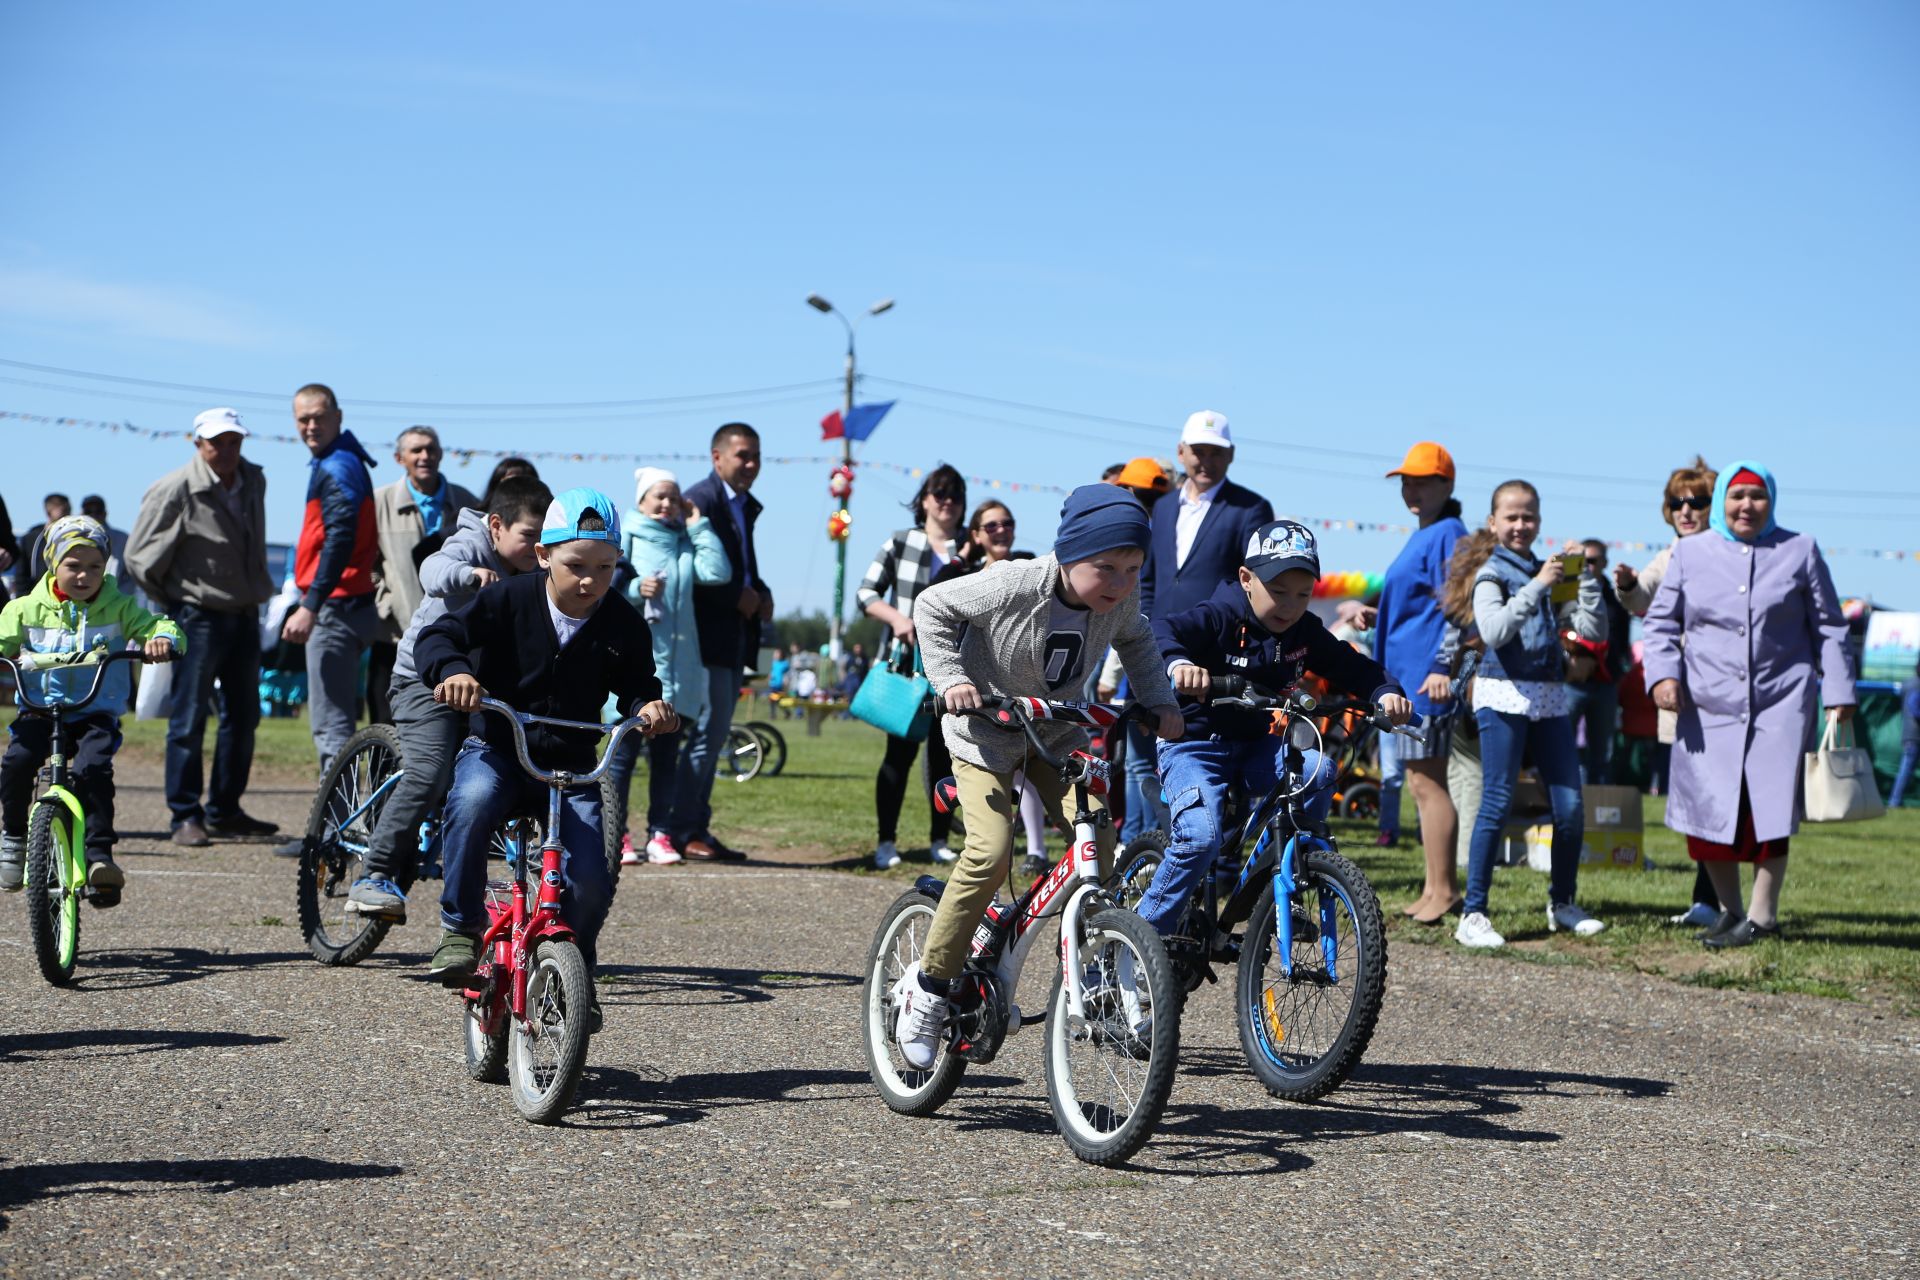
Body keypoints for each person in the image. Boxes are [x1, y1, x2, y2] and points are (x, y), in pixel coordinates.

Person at [889, 484, 1183, 1069]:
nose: (1122, 583)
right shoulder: (1015, 581)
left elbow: (1140, 643)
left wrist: (1161, 701)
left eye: (1132, 569)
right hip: (984, 734)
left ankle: (1090, 965)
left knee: (1097, 841)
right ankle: (929, 988)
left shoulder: (1119, 602)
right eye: (1106, 568)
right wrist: (950, 681)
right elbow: (931, 607)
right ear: (1070, 555)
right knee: (991, 851)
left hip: (1054, 731)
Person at [414, 487, 679, 991]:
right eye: (577, 564)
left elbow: (639, 684)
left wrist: (647, 705)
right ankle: (460, 927)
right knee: (469, 804)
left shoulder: (622, 620)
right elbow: (440, 635)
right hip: (499, 750)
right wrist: (453, 672)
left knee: (592, 879)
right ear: (543, 555)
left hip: (574, 767)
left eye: (605, 567)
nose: (591, 580)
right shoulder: (506, 600)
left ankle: (574, 971)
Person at [1137, 521, 1411, 939]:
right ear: (1247, 579)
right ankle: (1140, 939)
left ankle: (1280, 888)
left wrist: (1385, 691)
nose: (1291, 604)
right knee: (1199, 838)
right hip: (1192, 744)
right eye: (1279, 591)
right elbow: (1162, 630)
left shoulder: (1303, 630)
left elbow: (1349, 663)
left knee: (1319, 772)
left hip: (1253, 745)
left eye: (1304, 594)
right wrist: (1179, 665)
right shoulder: (1221, 614)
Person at [1642, 461, 1854, 949]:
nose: (1747, 506)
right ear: (1722, 503)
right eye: (1737, 496)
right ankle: (1729, 910)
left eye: (1757, 496)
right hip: (1705, 704)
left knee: (1768, 813)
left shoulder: (1799, 550)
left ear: (1771, 502)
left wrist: (1838, 694)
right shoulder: (1691, 553)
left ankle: (1762, 917)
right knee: (1707, 812)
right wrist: (1663, 677)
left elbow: (1830, 627)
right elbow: (1658, 624)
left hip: (1781, 702)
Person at [341, 475, 552, 920]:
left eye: (544, 538)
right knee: (430, 770)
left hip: (485, 690)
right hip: (425, 680)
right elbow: (432, 571)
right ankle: (372, 875)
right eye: (528, 536)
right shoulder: (471, 545)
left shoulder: (538, 568)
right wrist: (469, 575)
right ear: (496, 526)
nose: (538, 548)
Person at [1449, 480, 1609, 949]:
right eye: (1512, 517)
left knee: (1571, 806)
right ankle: (1473, 913)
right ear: (1494, 522)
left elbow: (1591, 628)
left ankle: (1562, 903)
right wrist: (1539, 585)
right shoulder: (1490, 573)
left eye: (1529, 517)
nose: (1521, 525)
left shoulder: (1549, 572)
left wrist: (1587, 580)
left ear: (1539, 520)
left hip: (1549, 696)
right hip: (1502, 694)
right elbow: (1494, 631)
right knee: (1496, 802)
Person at [0, 517, 182, 894]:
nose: (84, 576)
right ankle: (14, 836)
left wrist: (162, 640)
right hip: (40, 708)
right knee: (17, 763)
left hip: (93, 711)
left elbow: (157, 625)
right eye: (73, 566)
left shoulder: (118, 606)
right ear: (53, 565)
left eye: (94, 567)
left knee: (93, 768)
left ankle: (100, 856)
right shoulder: (23, 609)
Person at [123, 408, 279, 846]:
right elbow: (138, 557)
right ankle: (184, 815)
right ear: (197, 443)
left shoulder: (253, 479)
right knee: (189, 718)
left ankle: (226, 809)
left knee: (244, 717)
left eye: (234, 441)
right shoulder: (176, 488)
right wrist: (173, 601)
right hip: (197, 614)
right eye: (217, 442)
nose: (227, 450)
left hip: (245, 612)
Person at [1133, 414, 1274, 841]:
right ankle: (1154, 845)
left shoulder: (1250, 508)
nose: (1206, 460)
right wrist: (1140, 628)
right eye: (1199, 451)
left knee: (1220, 753)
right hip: (1156, 641)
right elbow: (1150, 577)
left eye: (1216, 452)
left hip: (1217, 649)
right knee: (1145, 749)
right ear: (1181, 452)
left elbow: (1253, 582)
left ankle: (1223, 859)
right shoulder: (1161, 505)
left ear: (1231, 455)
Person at [1615, 456, 1720, 926]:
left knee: (1722, 798)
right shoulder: (1671, 553)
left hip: (1725, 692)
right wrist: (1628, 585)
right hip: (1681, 694)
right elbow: (1643, 597)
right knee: (1695, 799)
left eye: (1697, 501)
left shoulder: (1727, 551)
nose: (1686, 510)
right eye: (1677, 502)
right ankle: (1707, 899)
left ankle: (1727, 902)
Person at [608, 466, 730, 867]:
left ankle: (660, 834)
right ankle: (616, 834)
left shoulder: (683, 542)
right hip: (630, 665)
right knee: (621, 757)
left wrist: (698, 525)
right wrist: (633, 588)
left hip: (677, 671)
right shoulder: (626, 536)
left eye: (673, 498)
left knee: (666, 759)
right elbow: (604, 581)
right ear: (640, 501)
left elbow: (717, 572)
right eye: (658, 496)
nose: (666, 504)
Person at [1374, 442, 1468, 924]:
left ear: (1447, 485)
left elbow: (1459, 607)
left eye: (1423, 480)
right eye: (1407, 480)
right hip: (1409, 679)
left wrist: (1441, 667)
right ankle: (1434, 888)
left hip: (1426, 682)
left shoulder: (1450, 533)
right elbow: (1417, 607)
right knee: (1418, 784)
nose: (1412, 488)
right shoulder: (1428, 532)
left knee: (1428, 784)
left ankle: (1446, 890)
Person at [856, 464, 967, 869]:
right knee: (898, 754)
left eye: (955, 495)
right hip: (908, 666)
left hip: (956, 668)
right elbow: (865, 593)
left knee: (946, 757)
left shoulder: (968, 547)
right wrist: (898, 620)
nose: (947, 502)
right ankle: (886, 841)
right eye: (939, 494)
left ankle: (939, 838)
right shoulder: (902, 542)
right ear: (923, 500)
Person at [933, 500, 1052, 877]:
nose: (1001, 531)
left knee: (1031, 762)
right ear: (977, 534)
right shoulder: (965, 573)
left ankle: (1036, 848)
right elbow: (933, 592)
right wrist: (967, 553)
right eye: (991, 526)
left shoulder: (1026, 565)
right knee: (995, 769)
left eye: (1007, 523)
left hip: (1024, 683)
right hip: (976, 688)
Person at [674, 423, 772, 861]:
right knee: (706, 736)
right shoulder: (701, 500)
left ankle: (697, 827)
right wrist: (739, 596)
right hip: (707, 639)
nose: (751, 464)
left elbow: (743, 566)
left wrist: (761, 592)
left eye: (756, 456)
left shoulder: (741, 505)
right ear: (718, 457)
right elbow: (691, 568)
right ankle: (682, 829)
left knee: (714, 738)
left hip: (734, 638)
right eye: (742, 456)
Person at [280, 384, 379, 784]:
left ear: (338, 417)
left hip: (337, 608)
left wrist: (311, 604)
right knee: (341, 720)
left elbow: (339, 537)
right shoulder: (344, 460)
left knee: (331, 725)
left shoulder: (337, 465)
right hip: (352, 603)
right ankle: (346, 826)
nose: (311, 425)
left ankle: (335, 830)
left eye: (319, 416)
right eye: (303, 418)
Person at [368, 426, 479, 726]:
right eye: (416, 450)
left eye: (431, 449)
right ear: (399, 458)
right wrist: (385, 601)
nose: (424, 456)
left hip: (451, 642)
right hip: (394, 636)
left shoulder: (467, 503)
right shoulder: (379, 503)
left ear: (441, 454)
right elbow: (368, 562)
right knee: (385, 724)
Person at [1564, 539, 1631, 783]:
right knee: (1564, 745)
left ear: (1604, 562)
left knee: (1602, 750)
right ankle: (1572, 801)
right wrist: (1569, 661)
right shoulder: (1568, 591)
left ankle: (1600, 809)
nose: (1588, 565)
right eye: (1584, 560)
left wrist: (1619, 669)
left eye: (1592, 560)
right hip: (1572, 682)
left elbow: (1622, 639)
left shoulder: (1616, 598)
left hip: (1605, 681)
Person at [17, 493, 71, 592]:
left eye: (69, 511)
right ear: (49, 512)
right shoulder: (31, 539)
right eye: (64, 511)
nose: (68, 515)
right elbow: (21, 575)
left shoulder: (73, 538)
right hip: (35, 595)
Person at [1887, 657, 1920, 809]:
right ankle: (1895, 801)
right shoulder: (1915, 685)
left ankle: (1895, 800)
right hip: (1914, 734)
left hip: (1908, 733)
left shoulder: (1907, 683)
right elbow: (1915, 708)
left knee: (1905, 770)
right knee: (1905, 771)